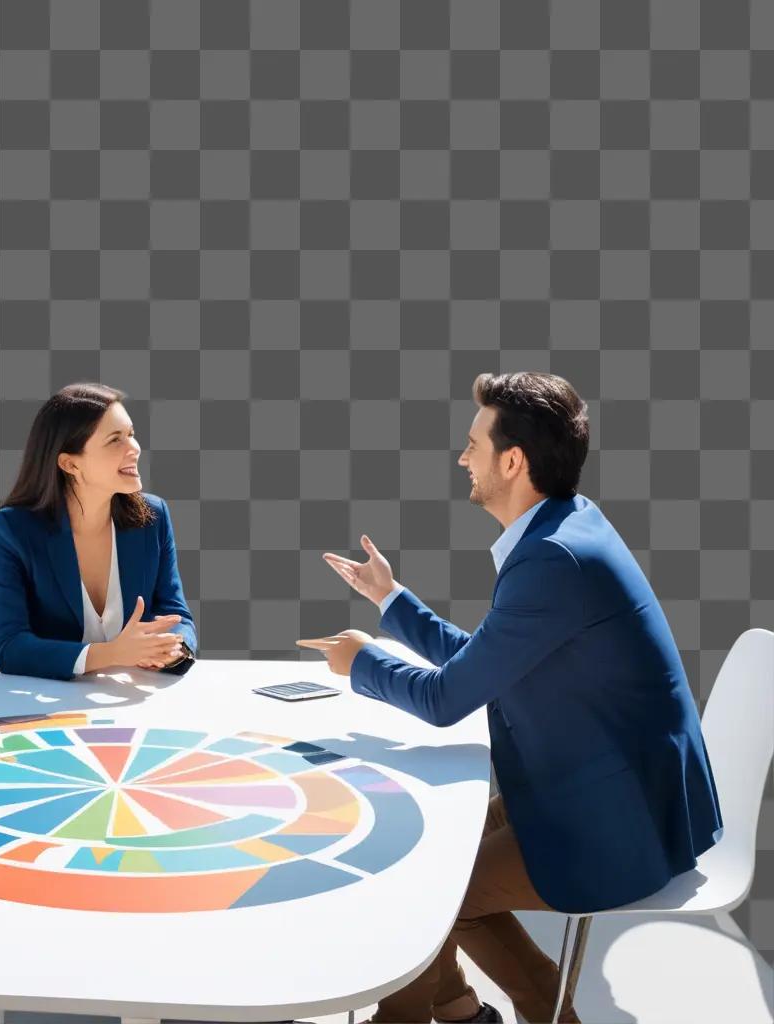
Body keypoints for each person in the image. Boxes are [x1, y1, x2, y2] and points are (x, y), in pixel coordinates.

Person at [298, 372, 722, 1024]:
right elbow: (487, 662)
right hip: (603, 788)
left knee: (428, 892)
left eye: (473, 445)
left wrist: (362, 663)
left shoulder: (554, 560)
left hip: (619, 823)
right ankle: (470, 1014)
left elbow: (446, 699)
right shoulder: (565, 530)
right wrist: (390, 600)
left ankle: (450, 1016)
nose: (463, 458)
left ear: (513, 460)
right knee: (424, 861)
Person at [0, 382, 197, 681]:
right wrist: (112, 654)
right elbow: (8, 647)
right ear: (69, 463)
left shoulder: (154, 517)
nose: (133, 448)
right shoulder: (11, 532)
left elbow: (176, 614)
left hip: (137, 700)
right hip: (43, 712)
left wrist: (173, 648)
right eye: (114, 440)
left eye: (131, 435)